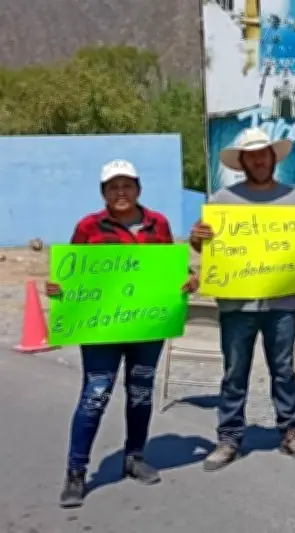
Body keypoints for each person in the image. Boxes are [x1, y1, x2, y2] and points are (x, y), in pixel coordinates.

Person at [48, 159, 198, 508]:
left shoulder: (157, 224)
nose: (121, 192)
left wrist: (190, 279)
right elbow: (72, 274)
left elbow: (172, 268)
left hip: (147, 326)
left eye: (127, 185)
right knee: (95, 395)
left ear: (138, 189)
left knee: (140, 392)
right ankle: (76, 471)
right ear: (103, 193)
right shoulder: (88, 226)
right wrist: (57, 287)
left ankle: (135, 456)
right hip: (102, 330)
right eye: (113, 186)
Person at [190, 128, 295, 471]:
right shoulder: (221, 201)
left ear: (274, 157)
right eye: (251, 155)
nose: (258, 159)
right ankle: (229, 438)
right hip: (236, 304)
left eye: (264, 153)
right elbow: (204, 248)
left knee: (284, 370)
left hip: (281, 303)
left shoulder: (294, 199)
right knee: (234, 372)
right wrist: (198, 239)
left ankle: (290, 431)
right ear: (242, 161)